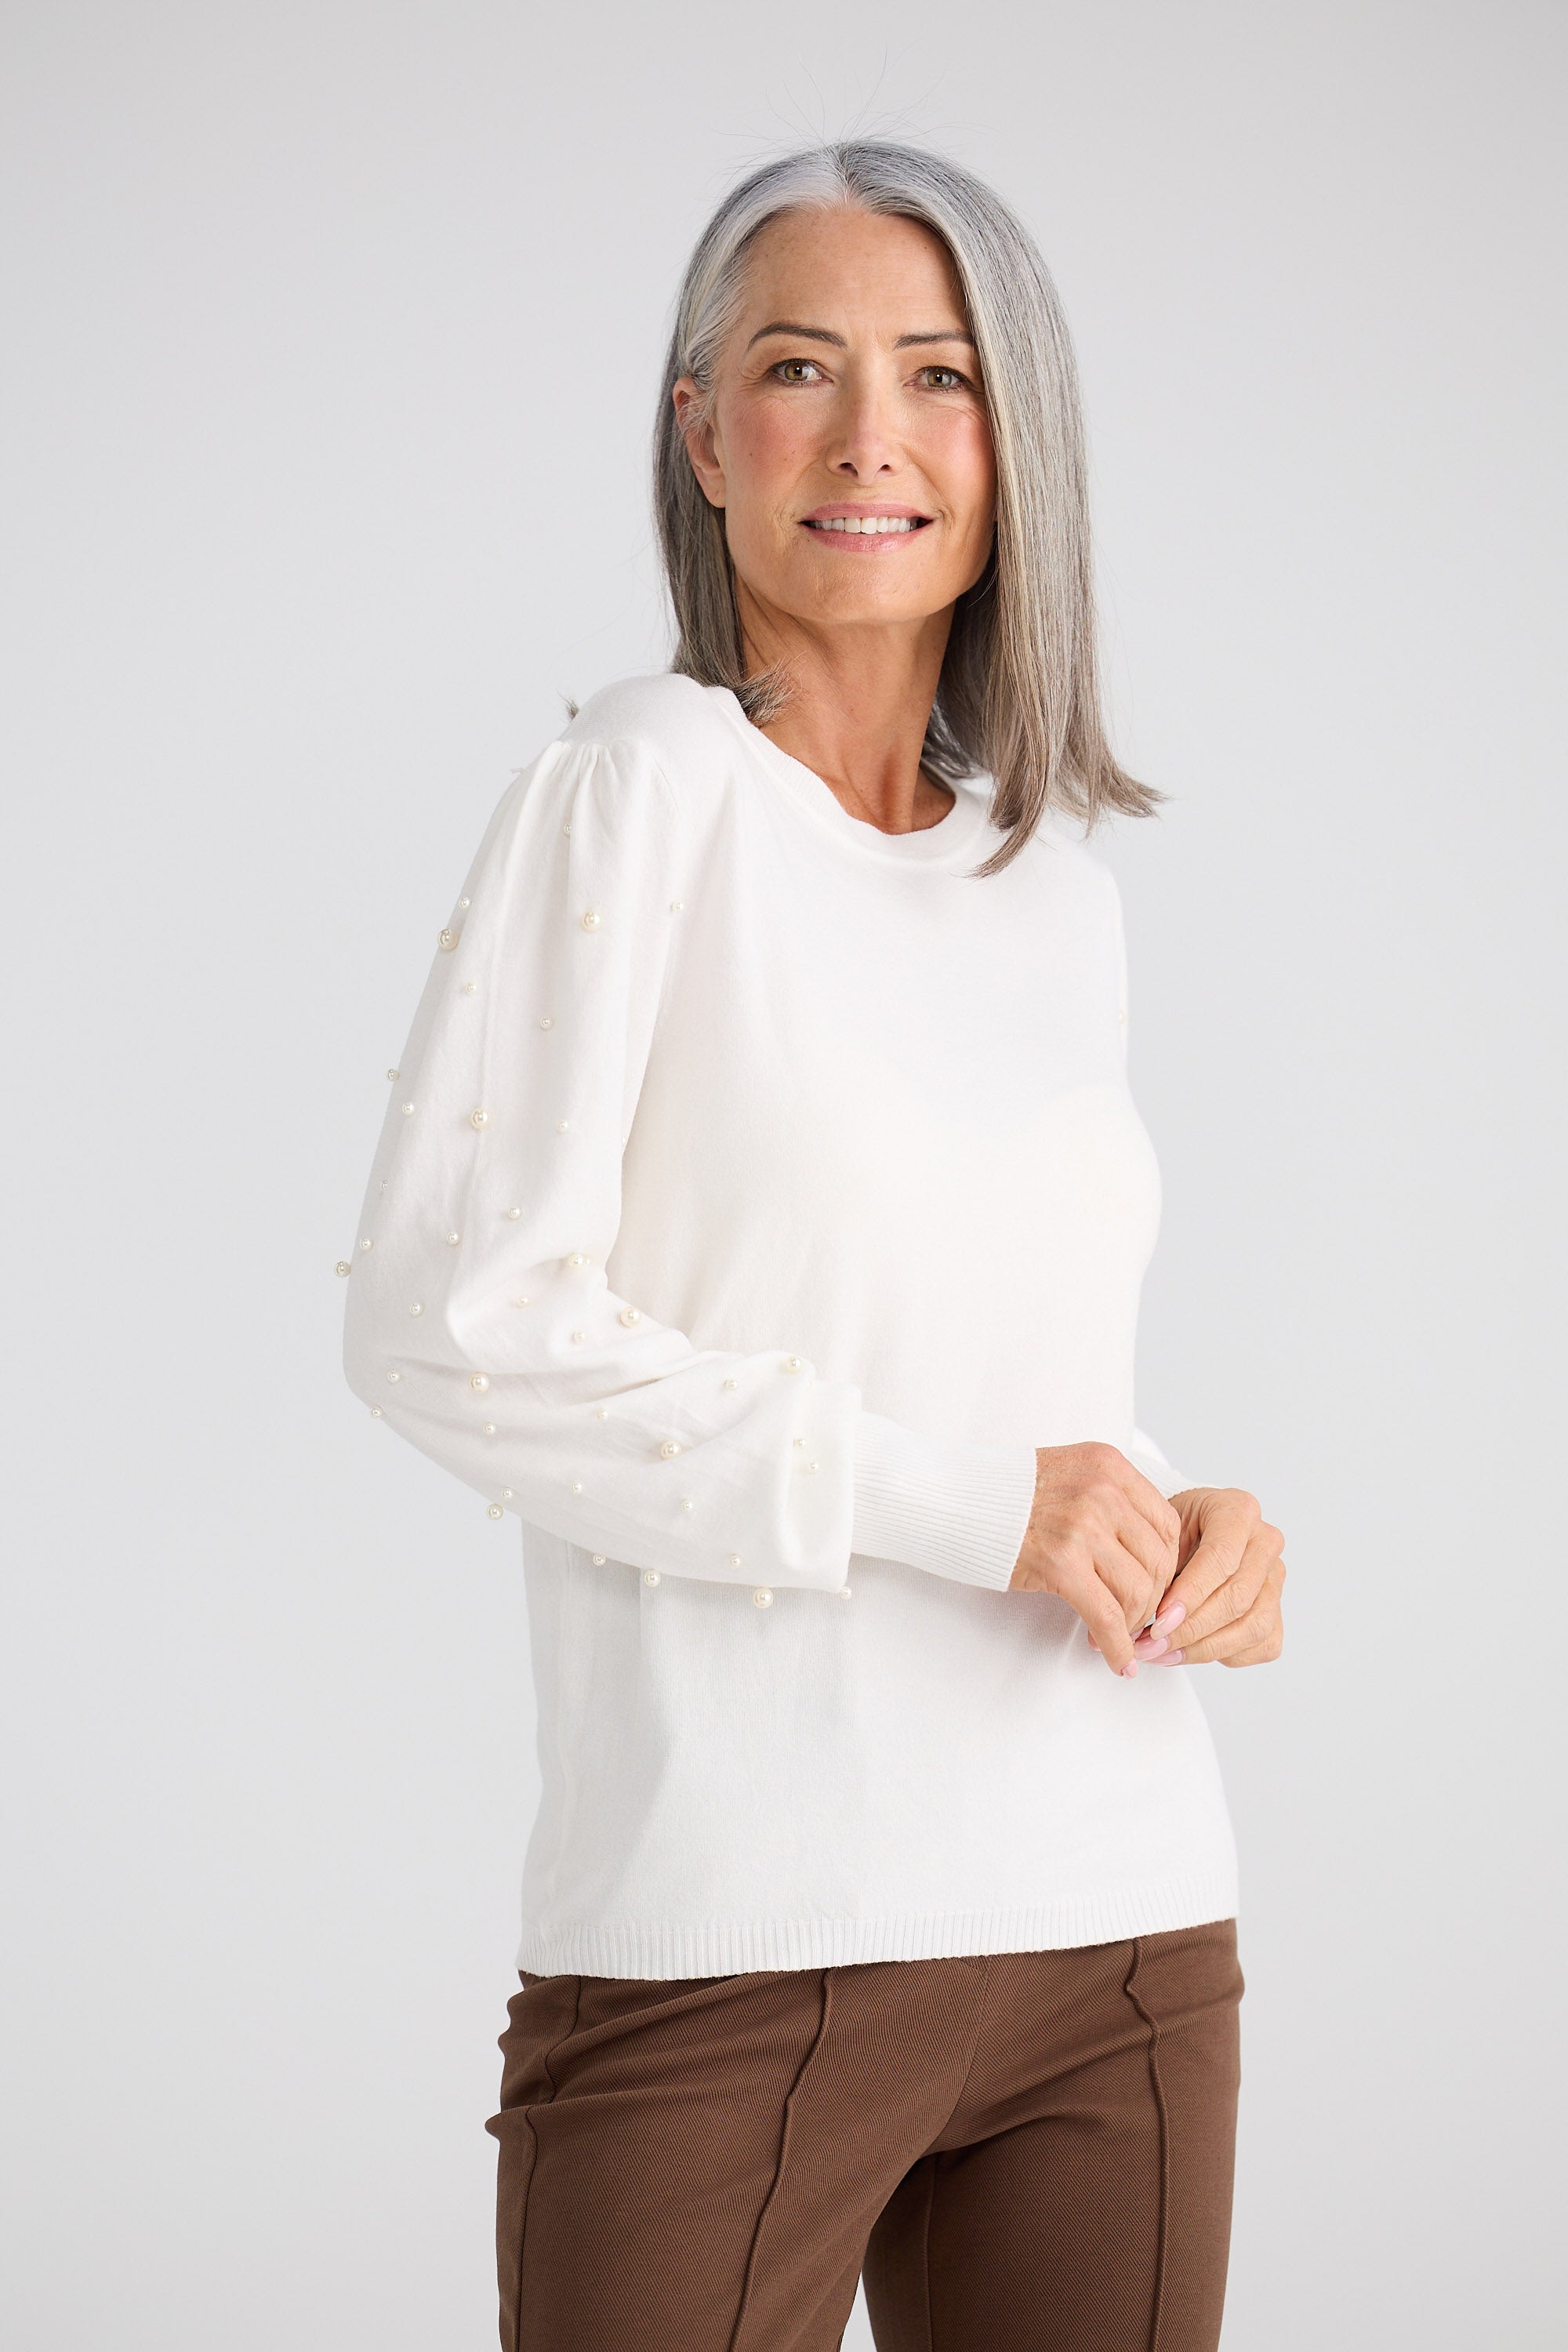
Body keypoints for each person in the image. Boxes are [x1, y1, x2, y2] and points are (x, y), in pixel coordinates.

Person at [340, 137, 1287, 2352]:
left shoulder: (1051, 880)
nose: (874, 435)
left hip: (1118, 1920)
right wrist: (979, 1511)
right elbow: (451, 1330)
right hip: (733, 1931)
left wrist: (1186, 1528)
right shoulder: (639, 787)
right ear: (705, 432)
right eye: (800, 366)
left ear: (1012, 435)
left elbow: (1022, 1378)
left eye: (941, 375)